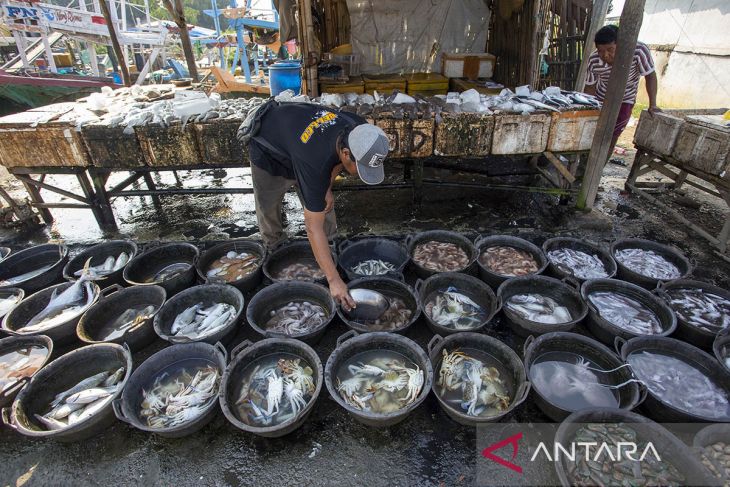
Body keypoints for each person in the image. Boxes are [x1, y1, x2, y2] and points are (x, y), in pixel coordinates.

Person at [243, 101, 390, 309]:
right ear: (347, 153)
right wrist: (334, 280)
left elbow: (334, 162)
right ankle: (274, 245)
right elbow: (312, 228)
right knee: (268, 204)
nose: (360, 173)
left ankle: (328, 249)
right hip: (268, 144)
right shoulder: (315, 161)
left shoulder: (359, 129)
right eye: (361, 167)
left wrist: (327, 187)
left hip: (301, 141)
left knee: (322, 202)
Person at [584, 24, 662, 156]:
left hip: (625, 99)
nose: (605, 55)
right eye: (601, 51)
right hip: (601, 98)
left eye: (610, 49)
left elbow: (650, 76)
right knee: (590, 133)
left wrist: (652, 104)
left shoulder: (639, 50)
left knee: (610, 138)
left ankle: (598, 168)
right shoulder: (594, 60)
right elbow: (590, 87)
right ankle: (584, 167)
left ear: (620, 44)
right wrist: (586, 107)